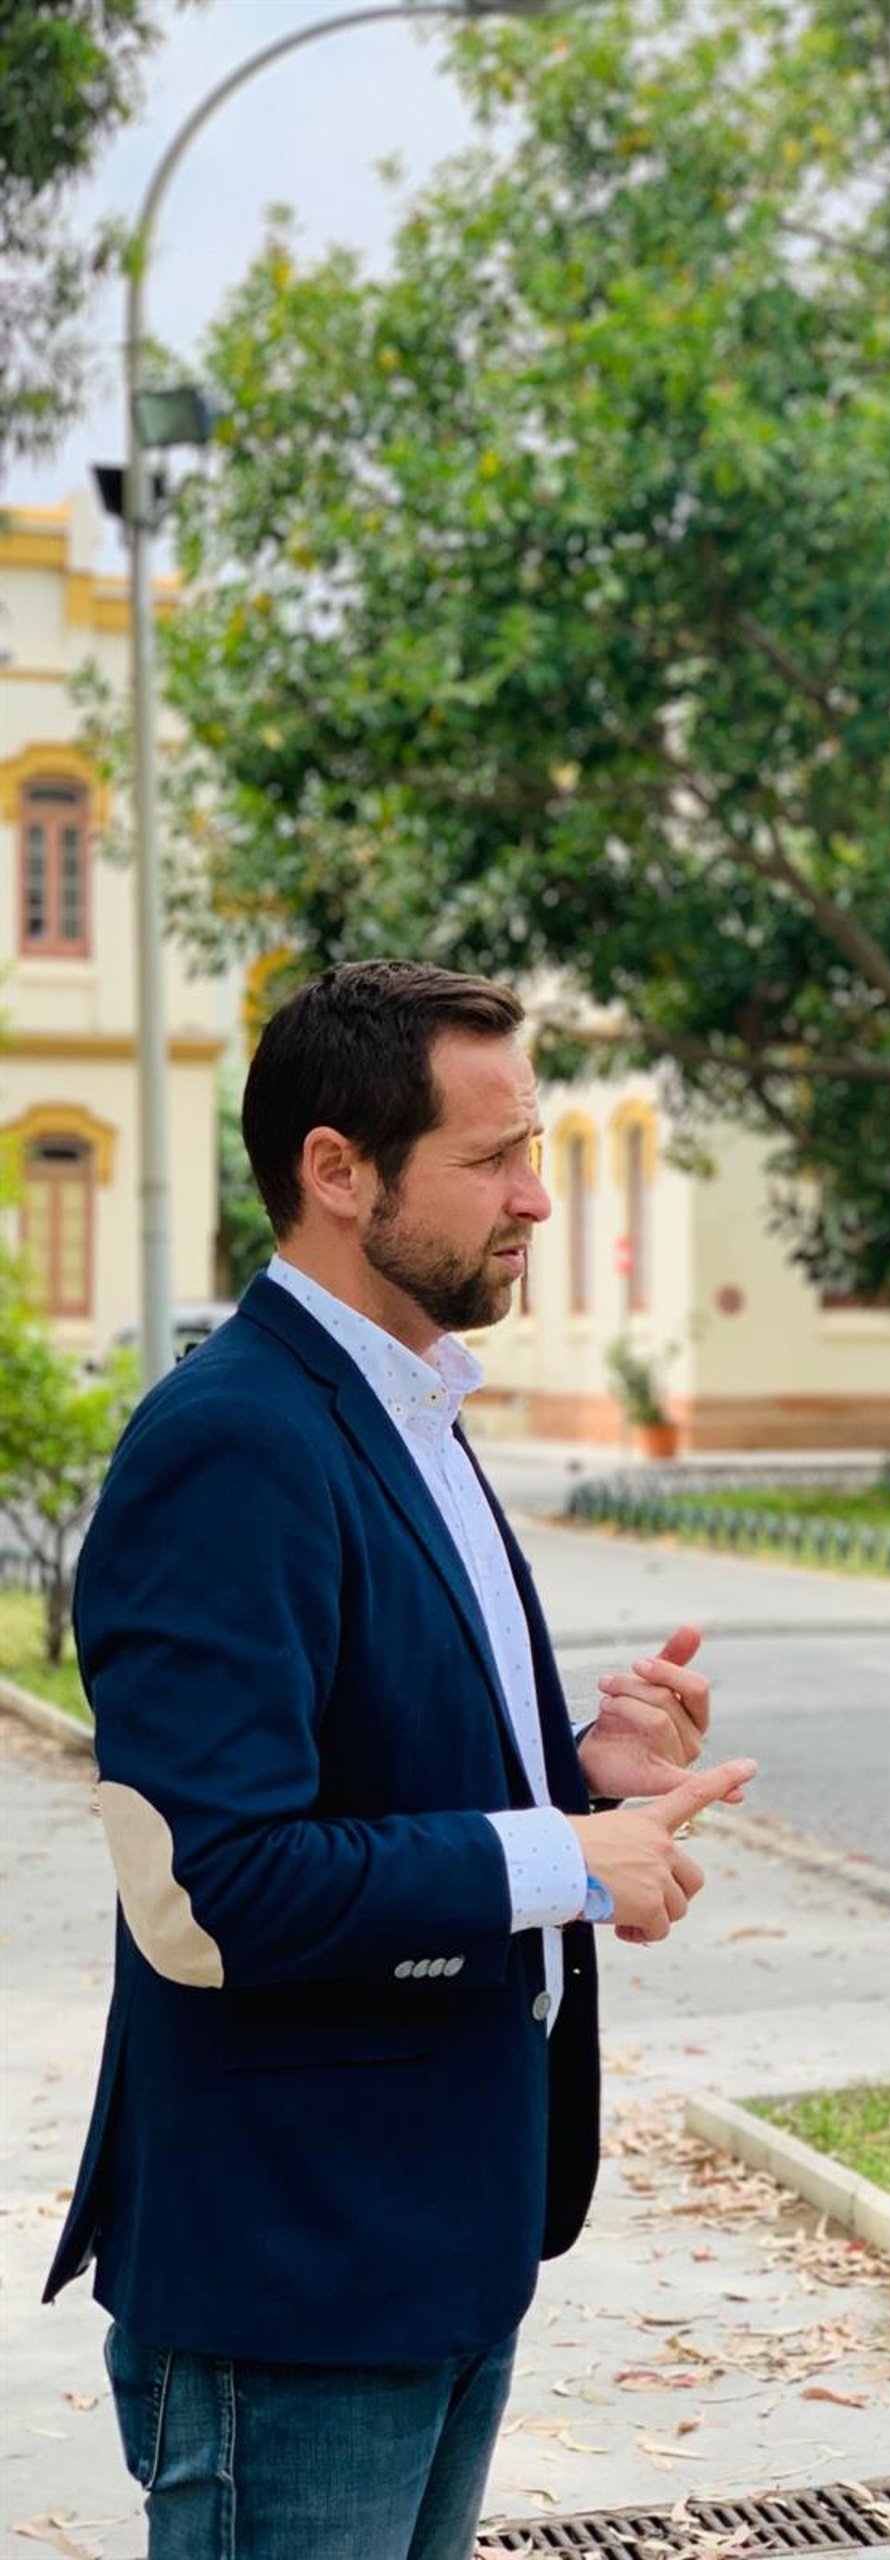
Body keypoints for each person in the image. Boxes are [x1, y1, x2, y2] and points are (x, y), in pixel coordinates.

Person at [45, 960, 757, 2559]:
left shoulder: (409, 1405)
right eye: (492, 1158)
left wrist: (577, 1773)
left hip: (437, 2232)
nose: (537, 1200)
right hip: (296, 2266)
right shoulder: (232, 1440)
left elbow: (377, 1772)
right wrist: (563, 1860)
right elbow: (217, 1886)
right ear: (337, 1170)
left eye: (535, 1151)